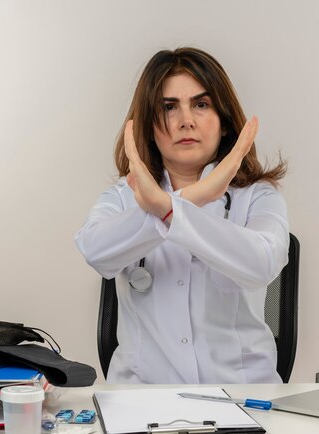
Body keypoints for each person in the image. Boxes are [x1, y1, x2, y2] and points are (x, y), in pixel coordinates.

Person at [75, 47, 289, 384]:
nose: (185, 120)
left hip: (242, 398)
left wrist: (169, 209)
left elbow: (262, 263)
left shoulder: (258, 196)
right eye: (168, 107)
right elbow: (95, 251)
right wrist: (192, 200)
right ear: (148, 126)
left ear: (224, 122)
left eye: (201, 105)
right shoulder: (123, 195)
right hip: (141, 401)